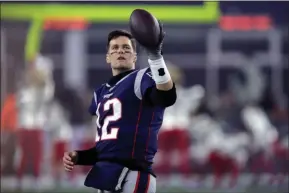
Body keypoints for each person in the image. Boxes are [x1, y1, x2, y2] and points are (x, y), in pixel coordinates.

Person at [63, 23, 177, 193]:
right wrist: (80, 157)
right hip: (106, 177)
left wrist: (155, 56)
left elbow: (167, 96)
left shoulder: (141, 77)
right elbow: (107, 148)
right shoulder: (100, 93)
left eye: (126, 48)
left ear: (135, 56)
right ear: (108, 57)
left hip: (134, 174)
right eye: (115, 48)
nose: (121, 51)